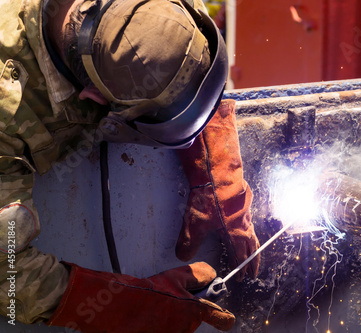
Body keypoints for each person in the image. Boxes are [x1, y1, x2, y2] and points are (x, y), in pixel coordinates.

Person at [0, 0, 260, 331]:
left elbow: (174, 43)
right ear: (94, 98)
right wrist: (128, 307)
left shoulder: (156, 8)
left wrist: (216, 168)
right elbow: (7, 270)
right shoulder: (7, 113)